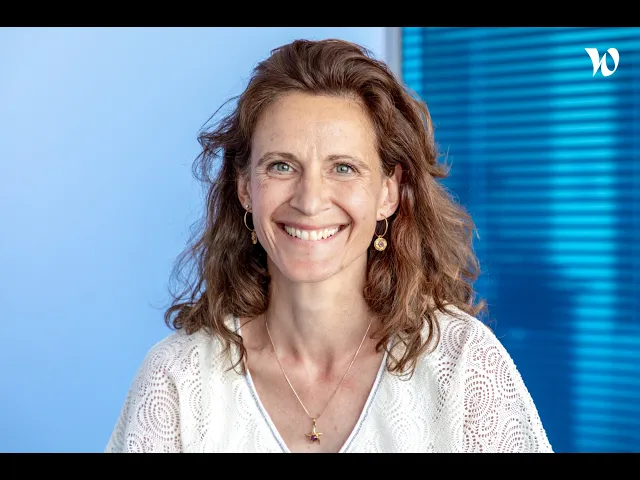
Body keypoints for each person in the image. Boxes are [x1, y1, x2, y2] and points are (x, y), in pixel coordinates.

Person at [105, 38, 553, 453]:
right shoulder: (178, 379)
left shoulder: (463, 367)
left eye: (343, 168)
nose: (310, 201)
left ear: (388, 192)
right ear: (244, 188)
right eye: (281, 166)